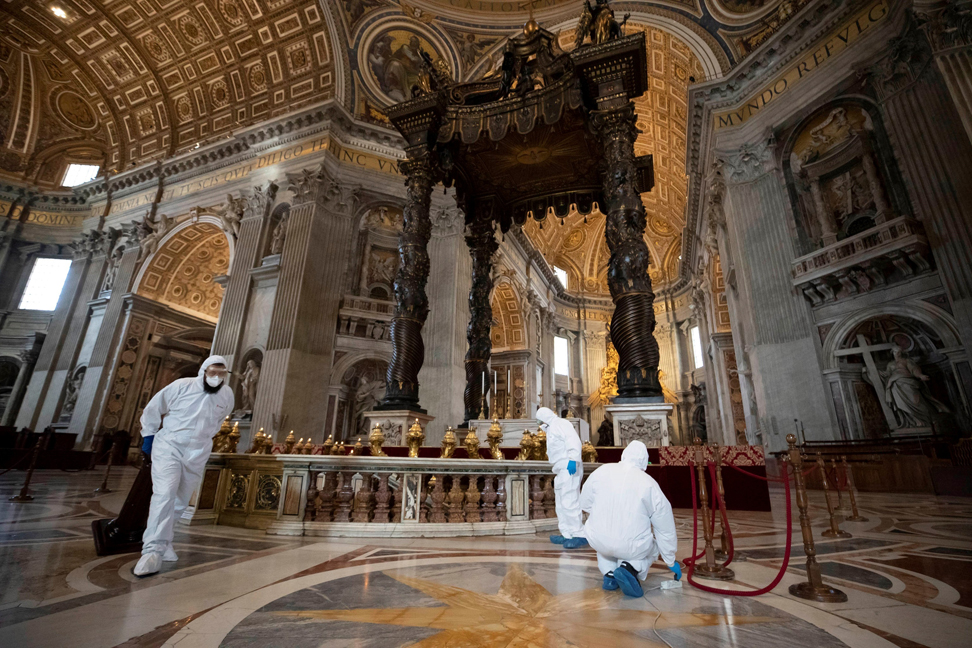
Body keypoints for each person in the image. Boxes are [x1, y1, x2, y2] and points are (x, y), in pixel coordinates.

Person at [133, 356, 235, 577]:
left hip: (198, 452)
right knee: (165, 494)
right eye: (213, 372)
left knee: (181, 500)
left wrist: (202, 440)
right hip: (169, 446)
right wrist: (148, 437)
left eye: (221, 374)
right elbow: (153, 409)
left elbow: (218, 423)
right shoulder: (181, 386)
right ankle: (151, 551)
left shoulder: (227, 394)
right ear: (203, 371)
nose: (216, 377)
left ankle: (165, 541)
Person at [580, 440, 679, 597]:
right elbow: (664, 526)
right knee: (653, 545)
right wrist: (670, 560)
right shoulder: (649, 483)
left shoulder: (601, 471)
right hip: (631, 546)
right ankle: (630, 567)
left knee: (603, 536)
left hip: (597, 539)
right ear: (644, 461)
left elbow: (584, 503)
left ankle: (610, 575)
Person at [536, 407, 586, 549]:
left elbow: (573, 441)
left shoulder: (562, 424)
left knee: (570, 501)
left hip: (568, 466)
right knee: (561, 502)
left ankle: (578, 534)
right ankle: (566, 533)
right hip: (560, 469)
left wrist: (573, 459)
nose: (539, 424)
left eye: (540, 420)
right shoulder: (551, 427)